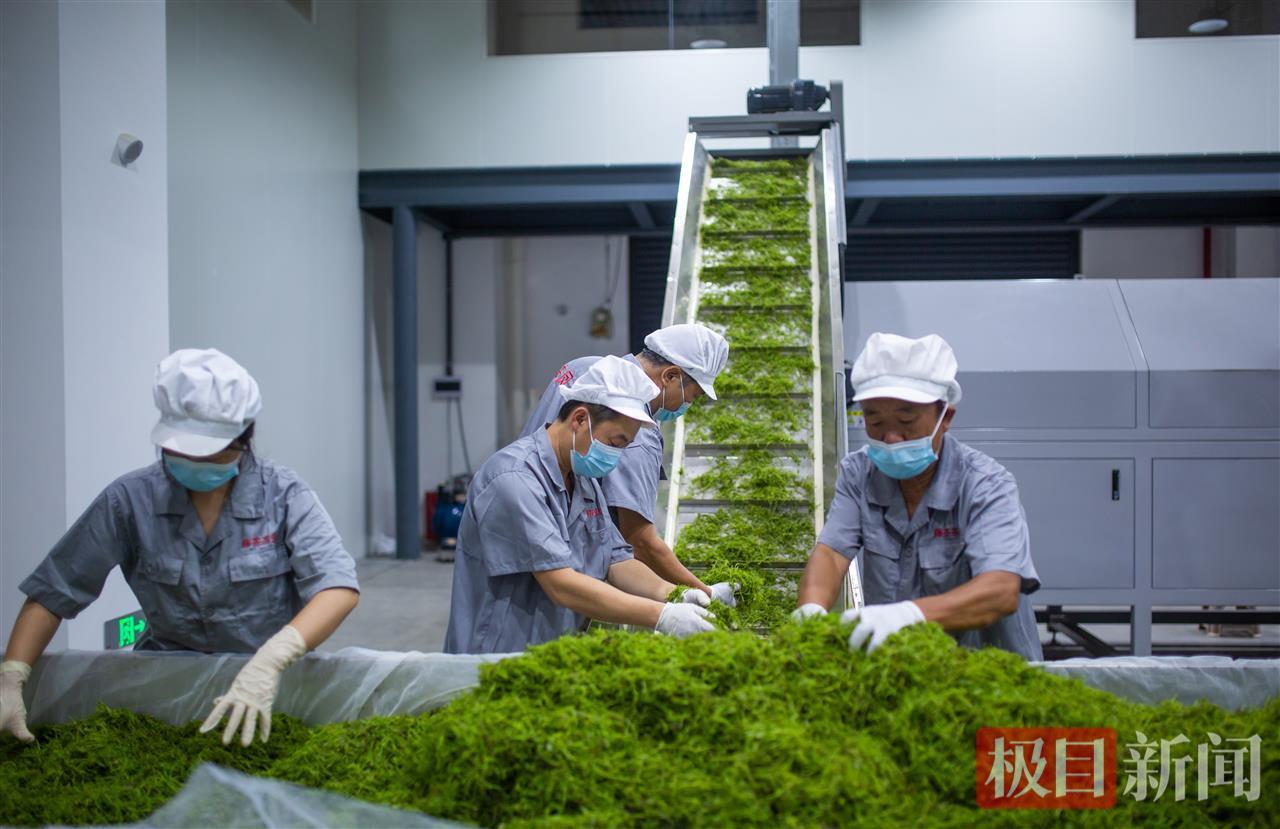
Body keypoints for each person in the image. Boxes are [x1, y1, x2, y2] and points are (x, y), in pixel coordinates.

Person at [0, 349, 360, 746]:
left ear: (244, 439)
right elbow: (54, 591)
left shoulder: (284, 494)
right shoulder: (129, 500)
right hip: (163, 690)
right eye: (183, 451)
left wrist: (272, 660)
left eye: (211, 452)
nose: (196, 461)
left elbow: (337, 588)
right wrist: (12, 676)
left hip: (265, 690)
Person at [794, 333, 1043, 660]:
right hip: (902, 670)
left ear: (945, 418)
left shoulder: (985, 484)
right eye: (874, 420)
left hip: (989, 672)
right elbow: (831, 553)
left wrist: (909, 615)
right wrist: (811, 609)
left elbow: (1001, 590)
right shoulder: (859, 475)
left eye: (906, 421)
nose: (891, 437)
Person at [446, 356, 718, 654]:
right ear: (579, 419)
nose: (615, 457)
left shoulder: (582, 478)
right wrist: (661, 615)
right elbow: (560, 583)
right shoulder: (513, 479)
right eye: (615, 443)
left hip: (552, 650)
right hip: (497, 654)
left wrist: (674, 594)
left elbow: (616, 559)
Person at [520, 324, 732, 605]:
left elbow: (617, 554)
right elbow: (640, 541)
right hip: (554, 577)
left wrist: (681, 595)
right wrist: (704, 594)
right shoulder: (638, 432)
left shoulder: (584, 367)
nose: (685, 407)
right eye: (691, 397)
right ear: (670, 376)